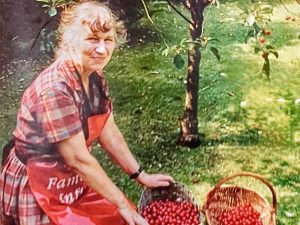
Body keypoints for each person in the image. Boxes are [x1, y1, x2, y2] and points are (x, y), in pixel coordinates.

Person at [0, 1, 175, 225]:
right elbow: (78, 159)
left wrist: (140, 175)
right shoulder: (56, 90)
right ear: (71, 40)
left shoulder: (94, 77)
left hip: (67, 181)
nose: (102, 49)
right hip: (38, 185)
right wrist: (120, 202)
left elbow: (107, 130)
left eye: (108, 40)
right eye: (92, 39)